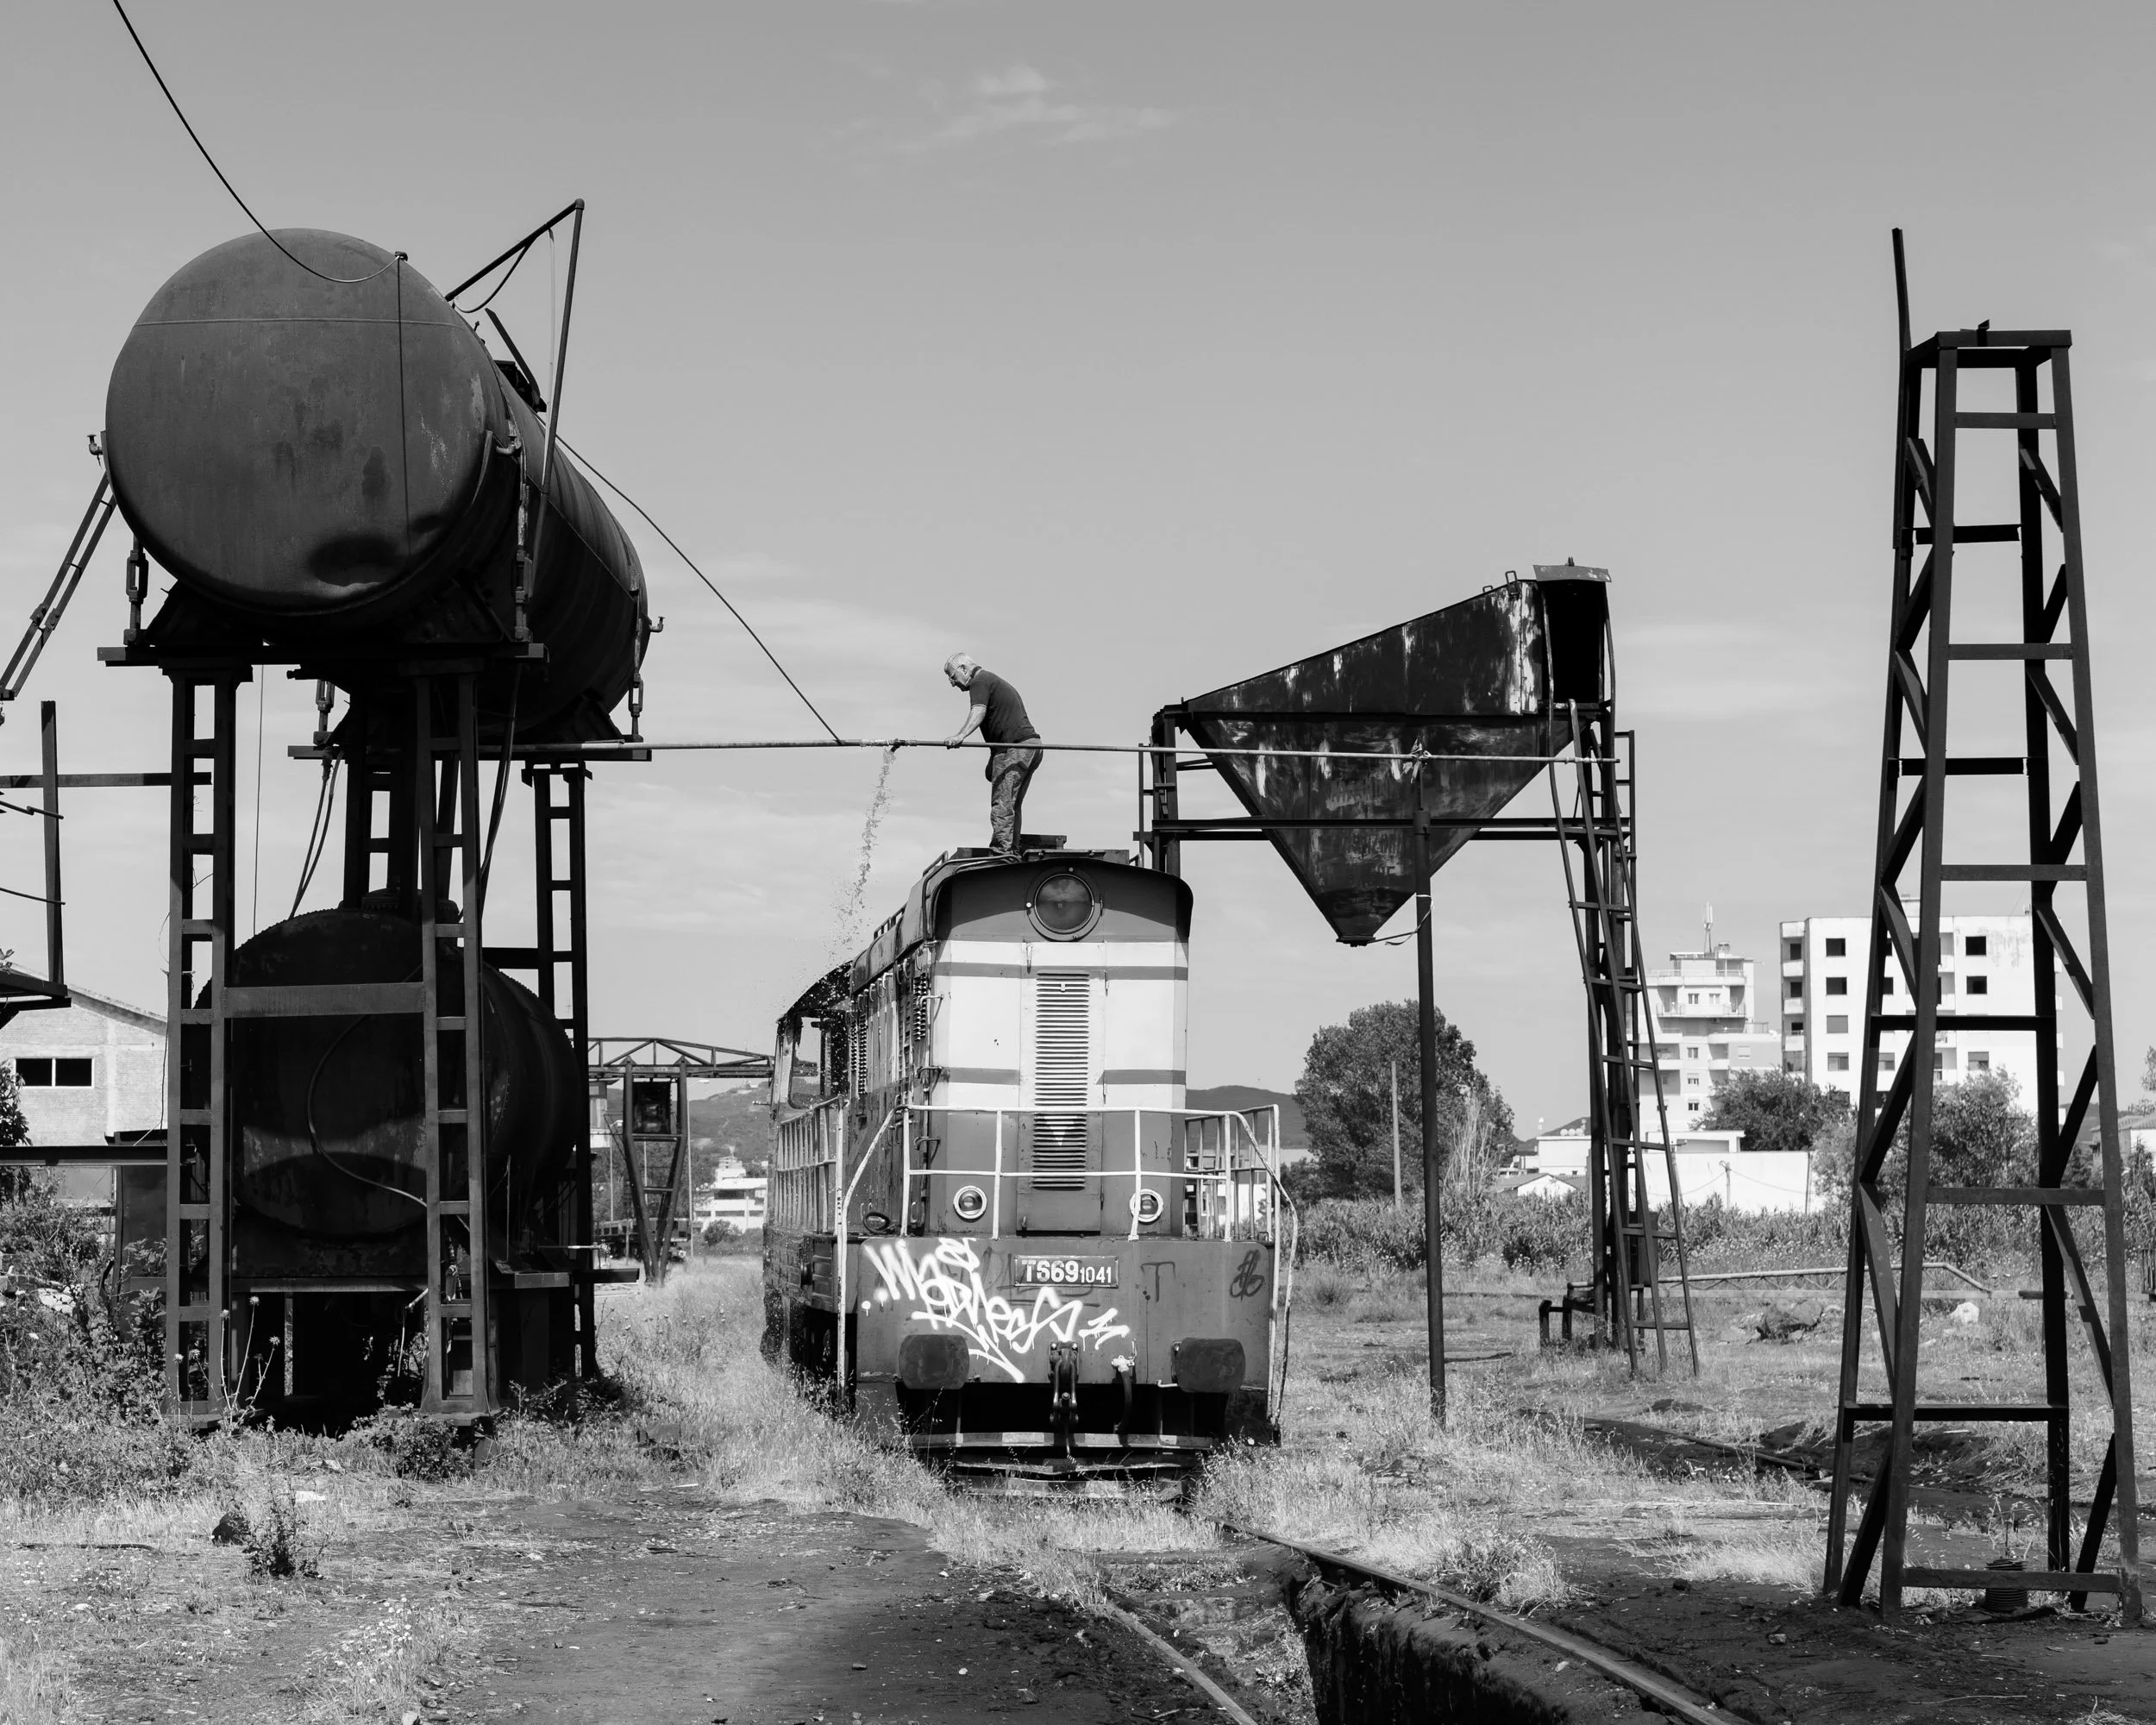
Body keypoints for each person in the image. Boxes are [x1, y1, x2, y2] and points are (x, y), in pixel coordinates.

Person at [943, 653, 1041, 857]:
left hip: (1015, 748)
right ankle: (1011, 850)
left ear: (963, 669)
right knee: (1012, 804)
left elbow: (978, 711)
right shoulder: (992, 681)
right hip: (1030, 745)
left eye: (952, 676)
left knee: (1003, 803)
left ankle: (1002, 854)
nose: (952, 683)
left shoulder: (979, 681)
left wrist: (960, 736)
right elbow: (1004, 723)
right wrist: (994, 758)